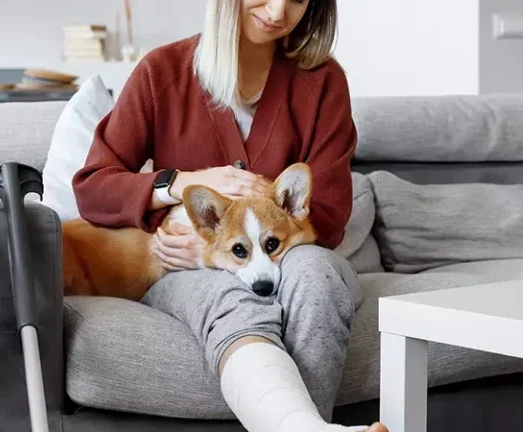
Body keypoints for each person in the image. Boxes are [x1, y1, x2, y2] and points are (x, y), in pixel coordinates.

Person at [72, 1, 388, 431]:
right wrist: (180, 184)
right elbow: (92, 188)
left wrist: (260, 213)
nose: (278, 11)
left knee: (317, 274)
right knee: (230, 297)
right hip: (182, 268)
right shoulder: (161, 71)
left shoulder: (323, 81)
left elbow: (329, 217)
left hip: (295, 257)